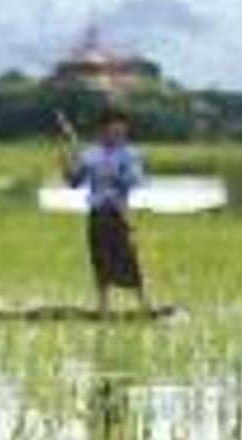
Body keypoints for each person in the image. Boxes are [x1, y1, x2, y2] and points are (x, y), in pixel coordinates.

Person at [61, 108, 151, 315]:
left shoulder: (129, 154)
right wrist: (67, 168)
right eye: (114, 132)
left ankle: (143, 304)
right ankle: (103, 306)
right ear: (102, 131)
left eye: (122, 133)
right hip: (97, 214)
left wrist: (114, 175)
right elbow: (75, 183)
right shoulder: (90, 154)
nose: (118, 136)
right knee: (99, 259)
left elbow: (136, 181)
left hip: (118, 213)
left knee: (129, 259)